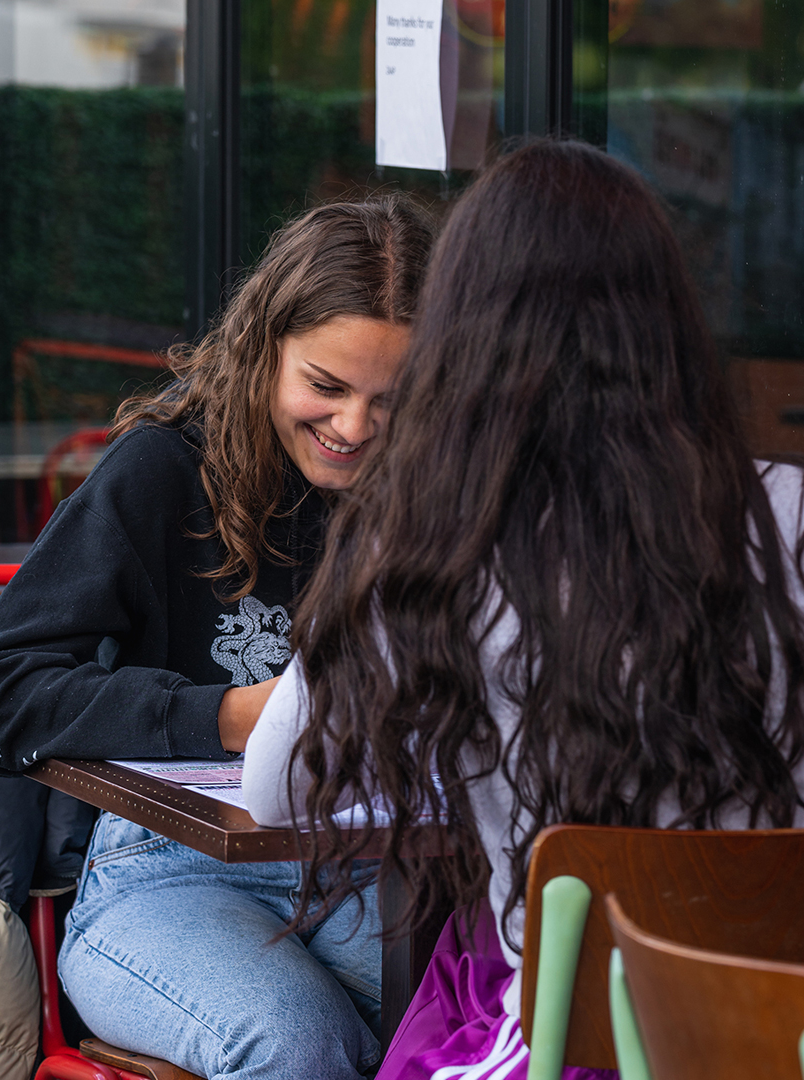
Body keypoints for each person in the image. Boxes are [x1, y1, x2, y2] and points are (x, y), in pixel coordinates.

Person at [241, 140, 804, 1080]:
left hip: (573, 1037)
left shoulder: (429, 549)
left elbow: (275, 792)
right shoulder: (788, 509)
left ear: (462, 339)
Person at [0, 196, 436, 1080]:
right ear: (263, 351)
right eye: (324, 387)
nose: (355, 429)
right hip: (171, 872)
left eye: (393, 402)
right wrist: (232, 716)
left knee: (499, 1025)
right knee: (298, 1043)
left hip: (381, 865)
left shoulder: (447, 495)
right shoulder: (165, 472)